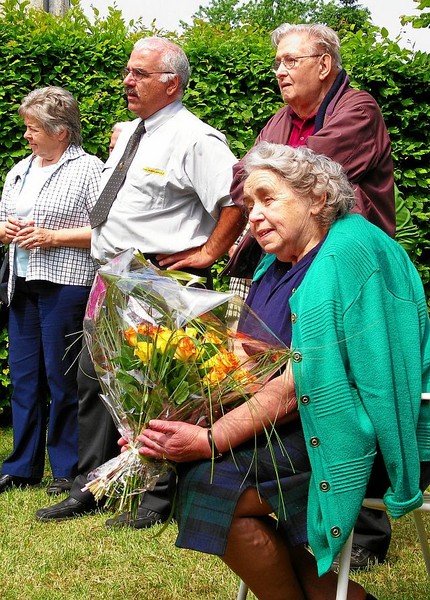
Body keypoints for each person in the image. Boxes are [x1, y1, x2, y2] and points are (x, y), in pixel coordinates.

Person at [134, 143, 429, 600]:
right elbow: (246, 360)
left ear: (317, 197)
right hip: (302, 419)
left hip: (357, 426)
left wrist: (210, 440)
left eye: (267, 199)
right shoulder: (277, 259)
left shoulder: (347, 253)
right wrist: (172, 422)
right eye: (248, 204)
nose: (252, 215)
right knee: (200, 480)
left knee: (211, 485)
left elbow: (300, 384)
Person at [35, 36, 245, 525]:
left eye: (140, 74)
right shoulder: (133, 132)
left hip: (158, 277)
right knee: (96, 380)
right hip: (111, 274)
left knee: (158, 389)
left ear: (171, 84)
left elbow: (236, 200)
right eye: (128, 72)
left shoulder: (197, 139)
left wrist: (210, 251)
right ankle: (93, 485)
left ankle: (157, 497)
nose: (127, 81)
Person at [228, 22, 395, 568]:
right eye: (276, 61)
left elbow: (307, 171)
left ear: (324, 64)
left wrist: (268, 170)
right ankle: (304, 515)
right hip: (291, 262)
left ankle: (361, 533)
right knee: (269, 364)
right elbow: (243, 180)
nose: (279, 70)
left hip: (341, 268)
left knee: (335, 378)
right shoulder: (282, 120)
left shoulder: (358, 110)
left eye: (290, 60)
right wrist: (264, 179)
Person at [0, 86, 103, 495]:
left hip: (66, 284)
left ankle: (66, 468)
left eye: (34, 128)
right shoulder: (19, 169)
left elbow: (106, 232)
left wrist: (53, 237)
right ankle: (21, 466)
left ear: (61, 131)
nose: (27, 135)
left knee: (62, 380)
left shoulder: (89, 169)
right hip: (20, 282)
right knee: (24, 378)